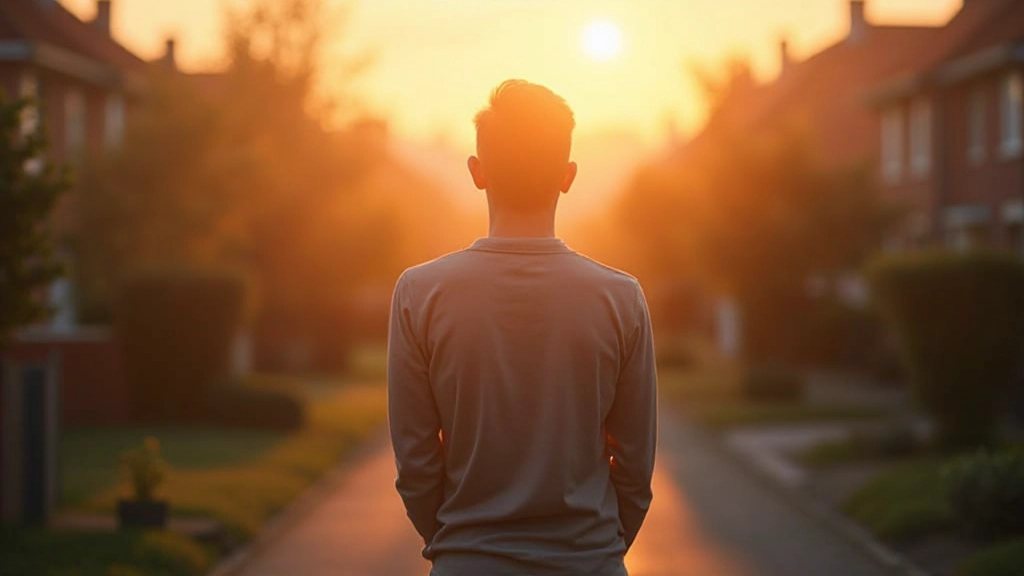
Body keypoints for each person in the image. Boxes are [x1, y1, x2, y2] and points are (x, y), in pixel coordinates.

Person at [387, 79, 657, 576]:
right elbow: (636, 468)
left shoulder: (419, 294)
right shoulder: (621, 299)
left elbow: (416, 465)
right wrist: (595, 549)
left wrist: (461, 547)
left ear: (477, 171)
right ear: (568, 176)